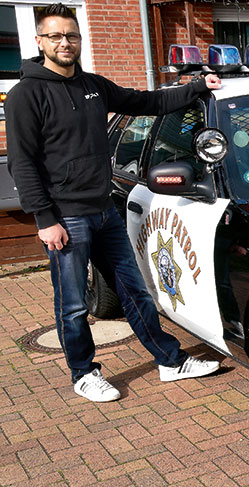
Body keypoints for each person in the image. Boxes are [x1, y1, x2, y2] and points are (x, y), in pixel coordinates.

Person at [6, 3, 223, 402]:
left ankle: (169, 361)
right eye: (55, 36)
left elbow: (147, 103)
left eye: (71, 35)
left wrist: (196, 87)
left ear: (79, 39)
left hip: (105, 211)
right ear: (40, 41)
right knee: (72, 305)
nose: (64, 42)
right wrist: (44, 218)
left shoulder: (93, 85)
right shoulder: (25, 94)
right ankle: (83, 373)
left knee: (134, 291)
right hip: (65, 219)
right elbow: (22, 162)